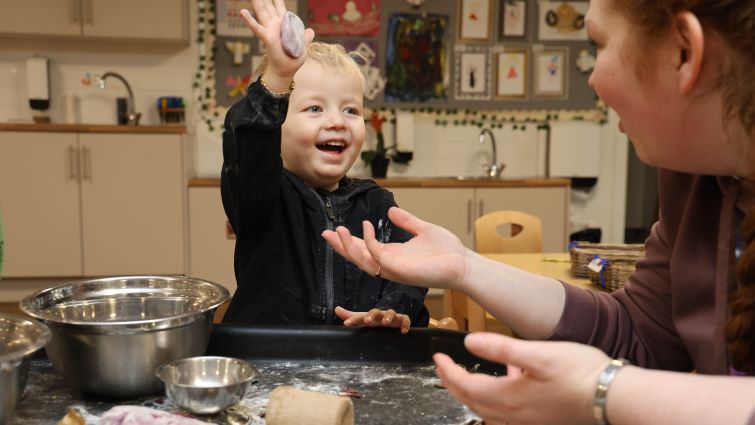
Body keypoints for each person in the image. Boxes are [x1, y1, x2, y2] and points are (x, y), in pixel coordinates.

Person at [322, 0, 755, 423]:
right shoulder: (692, 176)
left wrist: (603, 392)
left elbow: (619, 371)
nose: (592, 78)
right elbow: (637, 331)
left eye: (598, 45)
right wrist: (465, 267)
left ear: (683, 53)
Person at [221, 0, 429, 332]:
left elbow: (410, 272)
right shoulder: (263, 197)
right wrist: (277, 79)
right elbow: (247, 147)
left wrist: (391, 310)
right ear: (277, 125)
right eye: (315, 109)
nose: (337, 121)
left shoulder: (377, 204)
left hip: (357, 360)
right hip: (270, 361)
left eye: (351, 110)